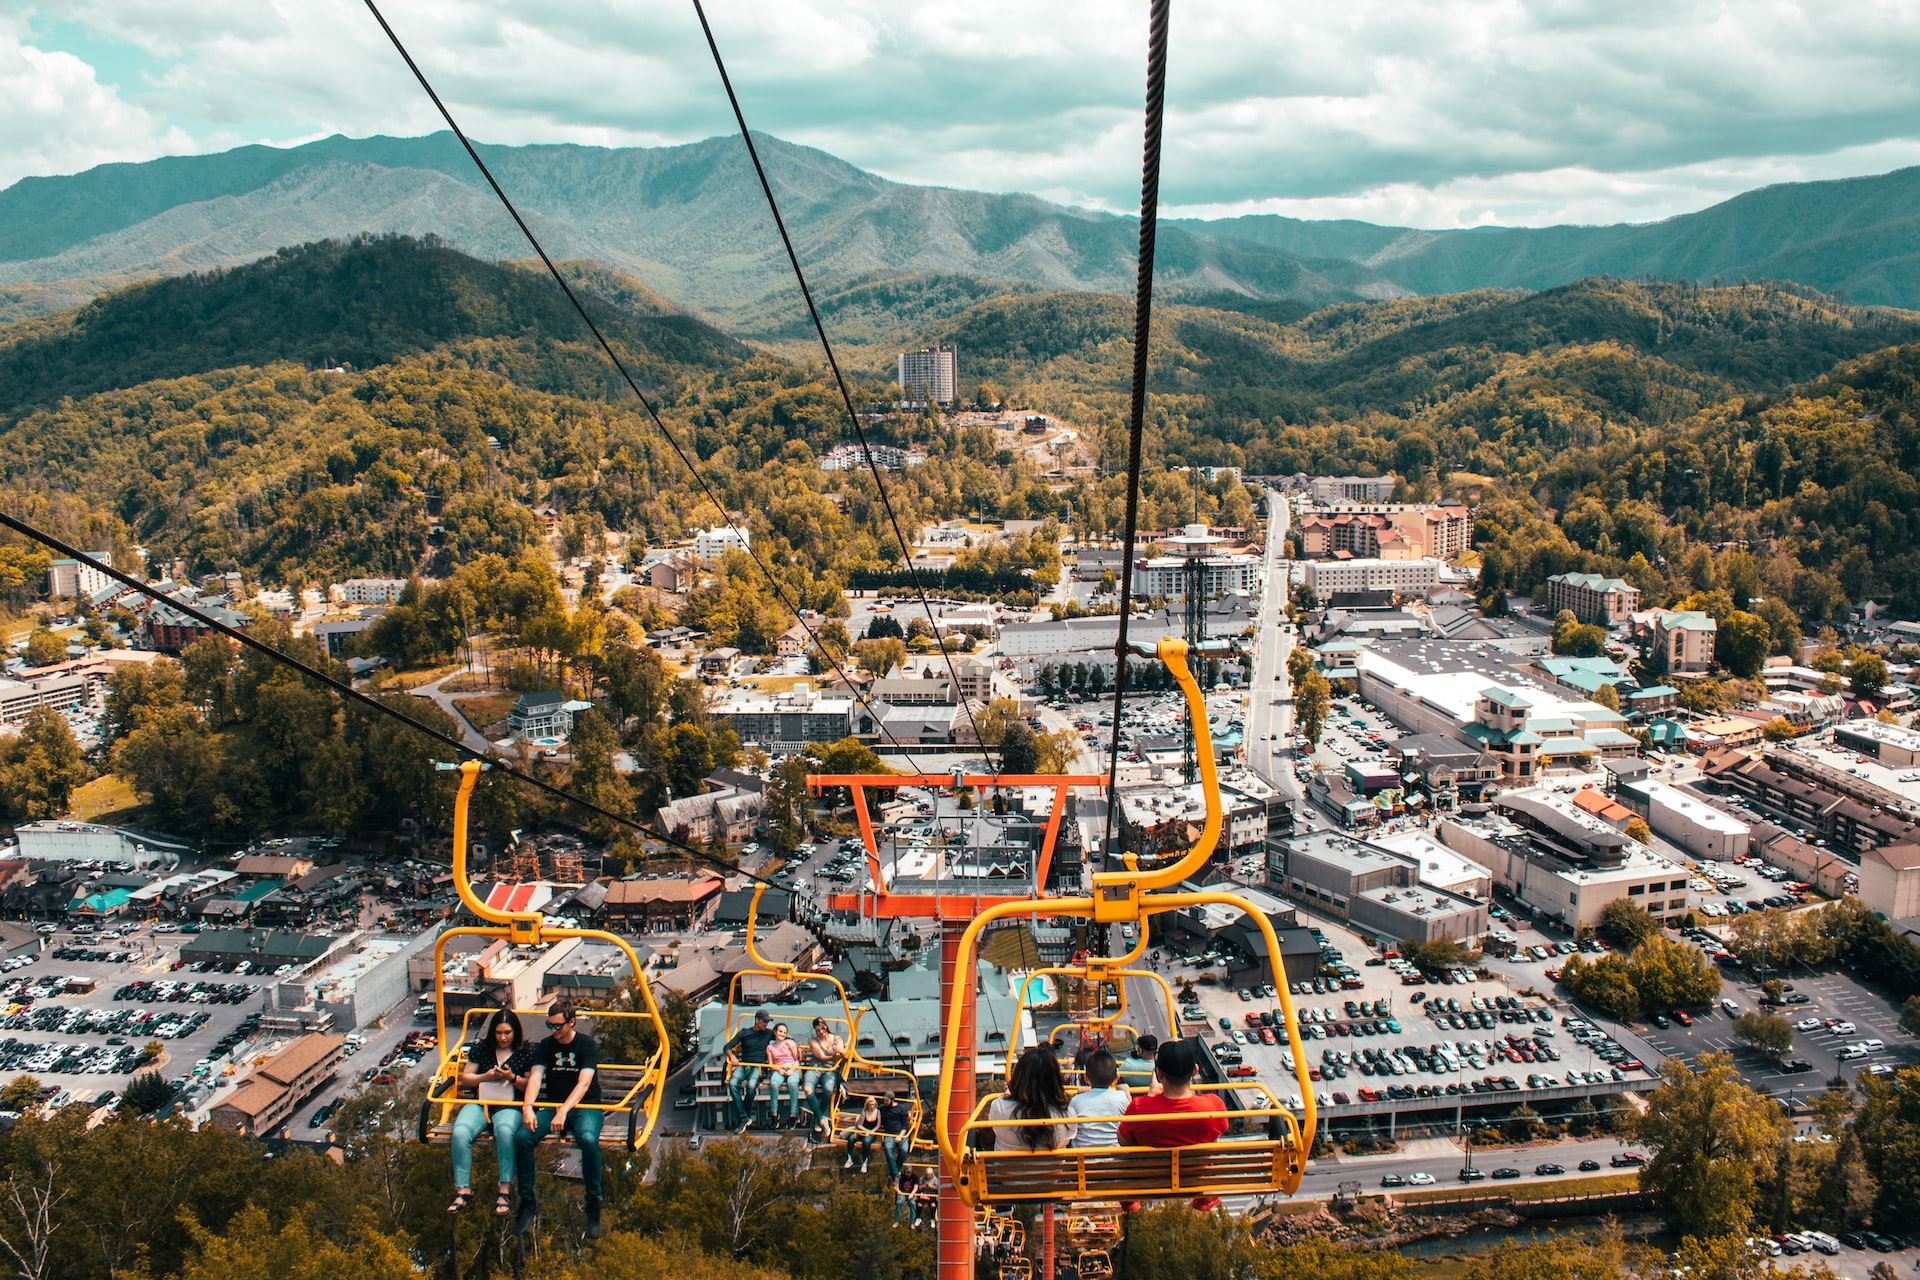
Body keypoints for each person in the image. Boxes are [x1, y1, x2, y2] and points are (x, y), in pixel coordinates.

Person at [513, 1001, 607, 1239]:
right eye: (550, 1025)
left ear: (571, 1022)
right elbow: (535, 1078)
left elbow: (584, 1083)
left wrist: (564, 1111)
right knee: (522, 1137)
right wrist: (528, 1107)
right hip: (554, 1107)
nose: (553, 1031)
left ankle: (593, 1202)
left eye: (557, 1026)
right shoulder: (545, 1046)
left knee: (587, 1139)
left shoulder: (586, 1045)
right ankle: (527, 1201)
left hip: (585, 1106)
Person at [1117, 1038, 1228, 1211]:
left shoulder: (1139, 1108)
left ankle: (1130, 1201)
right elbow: (1218, 1132)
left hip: (1149, 1181)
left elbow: (1123, 1141)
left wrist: (1152, 1097)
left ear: (1159, 1074)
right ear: (1194, 1071)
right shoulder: (1214, 1106)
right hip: (1193, 1180)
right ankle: (1204, 1198)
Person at [447, 1009, 533, 1218]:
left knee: (504, 1132)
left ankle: (504, 1188)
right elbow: (466, 1078)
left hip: (509, 1105)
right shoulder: (481, 1049)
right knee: (460, 1132)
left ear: (515, 1033)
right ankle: (463, 1188)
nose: (503, 1038)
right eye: (498, 1033)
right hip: (482, 1103)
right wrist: (485, 1077)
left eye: (507, 1033)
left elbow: (530, 1085)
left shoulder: (525, 1052)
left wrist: (512, 1078)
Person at [986, 1046, 1070, 1151]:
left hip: (1010, 1166)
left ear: (1018, 1077)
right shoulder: (1067, 1115)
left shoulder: (999, 1107)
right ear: (1055, 1080)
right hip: (1054, 1168)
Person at [722, 1009, 774, 1131]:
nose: (766, 1024)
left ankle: (744, 1117)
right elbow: (727, 1047)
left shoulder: (768, 1033)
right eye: (764, 1022)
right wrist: (733, 1057)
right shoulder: (744, 1033)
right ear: (757, 1021)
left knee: (751, 1086)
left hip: (759, 1066)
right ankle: (744, 1116)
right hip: (745, 1064)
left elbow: (784, 1037)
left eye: (767, 1022)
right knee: (733, 1083)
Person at [1065, 1049, 1129, 1148]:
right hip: (1115, 1157)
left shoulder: (1076, 1100)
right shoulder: (1122, 1098)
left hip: (1082, 1158)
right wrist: (1127, 1093)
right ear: (1116, 1077)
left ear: (1086, 1078)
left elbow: (1069, 1129)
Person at [799, 1017, 846, 1139]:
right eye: (818, 1030)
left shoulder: (836, 1038)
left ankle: (818, 1119)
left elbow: (843, 1051)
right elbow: (821, 1056)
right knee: (808, 1089)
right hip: (816, 1067)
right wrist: (833, 1055)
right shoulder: (814, 1042)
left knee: (829, 1090)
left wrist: (840, 1052)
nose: (821, 1032)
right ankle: (821, 1119)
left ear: (826, 1026)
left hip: (830, 1069)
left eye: (822, 1028)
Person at [765, 1022, 803, 1127]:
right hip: (779, 1068)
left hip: (792, 1067)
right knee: (774, 1083)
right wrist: (779, 1069)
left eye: (785, 1032)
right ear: (775, 1032)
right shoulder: (770, 1047)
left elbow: (797, 1060)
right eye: (780, 1031)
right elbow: (771, 1064)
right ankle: (774, 1114)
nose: (782, 1034)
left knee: (792, 1083)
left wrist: (791, 1070)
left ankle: (793, 1115)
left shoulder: (789, 1043)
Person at [877, 1089, 914, 1177]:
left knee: (904, 1150)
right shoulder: (882, 1109)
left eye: (887, 1100)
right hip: (889, 1134)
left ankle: (895, 1172)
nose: (885, 1102)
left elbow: (905, 1125)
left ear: (892, 1100)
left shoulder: (901, 1108)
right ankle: (895, 1174)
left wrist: (900, 1136)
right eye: (884, 1100)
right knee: (888, 1148)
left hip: (901, 1133)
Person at [846, 1094, 883, 1173]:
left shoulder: (878, 1112)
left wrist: (870, 1132)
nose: (871, 1106)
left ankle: (864, 1162)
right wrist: (865, 1131)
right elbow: (860, 1125)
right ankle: (849, 1159)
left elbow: (878, 1125)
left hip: (872, 1133)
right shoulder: (864, 1111)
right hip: (863, 1131)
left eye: (873, 1104)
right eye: (870, 1105)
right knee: (851, 1138)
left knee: (866, 1142)